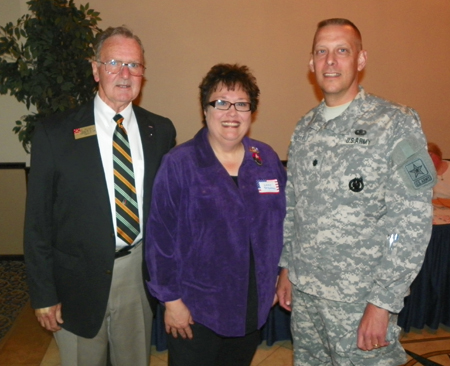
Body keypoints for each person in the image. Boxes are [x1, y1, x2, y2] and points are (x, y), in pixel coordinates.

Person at [276, 18, 436, 366]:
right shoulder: (305, 128)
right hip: (306, 299)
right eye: (322, 51)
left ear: (360, 60)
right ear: (311, 63)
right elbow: (294, 207)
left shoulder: (396, 123)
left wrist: (383, 302)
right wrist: (287, 267)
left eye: (342, 51)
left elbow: (410, 221)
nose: (330, 61)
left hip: (359, 301)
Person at [24, 26, 176, 366]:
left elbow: (170, 211)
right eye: (113, 63)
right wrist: (43, 294)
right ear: (95, 69)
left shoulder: (161, 131)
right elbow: (37, 223)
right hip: (75, 283)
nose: (125, 74)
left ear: (143, 74)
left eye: (134, 65)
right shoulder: (54, 133)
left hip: (138, 275)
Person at [145, 63, 286, 366]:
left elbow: (284, 225)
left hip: (252, 306)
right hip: (196, 312)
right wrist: (171, 301)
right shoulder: (180, 164)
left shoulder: (267, 160)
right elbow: (160, 241)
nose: (231, 113)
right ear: (205, 110)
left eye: (242, 104)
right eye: (221, 103)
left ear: (252, 112)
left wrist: (278, 276)